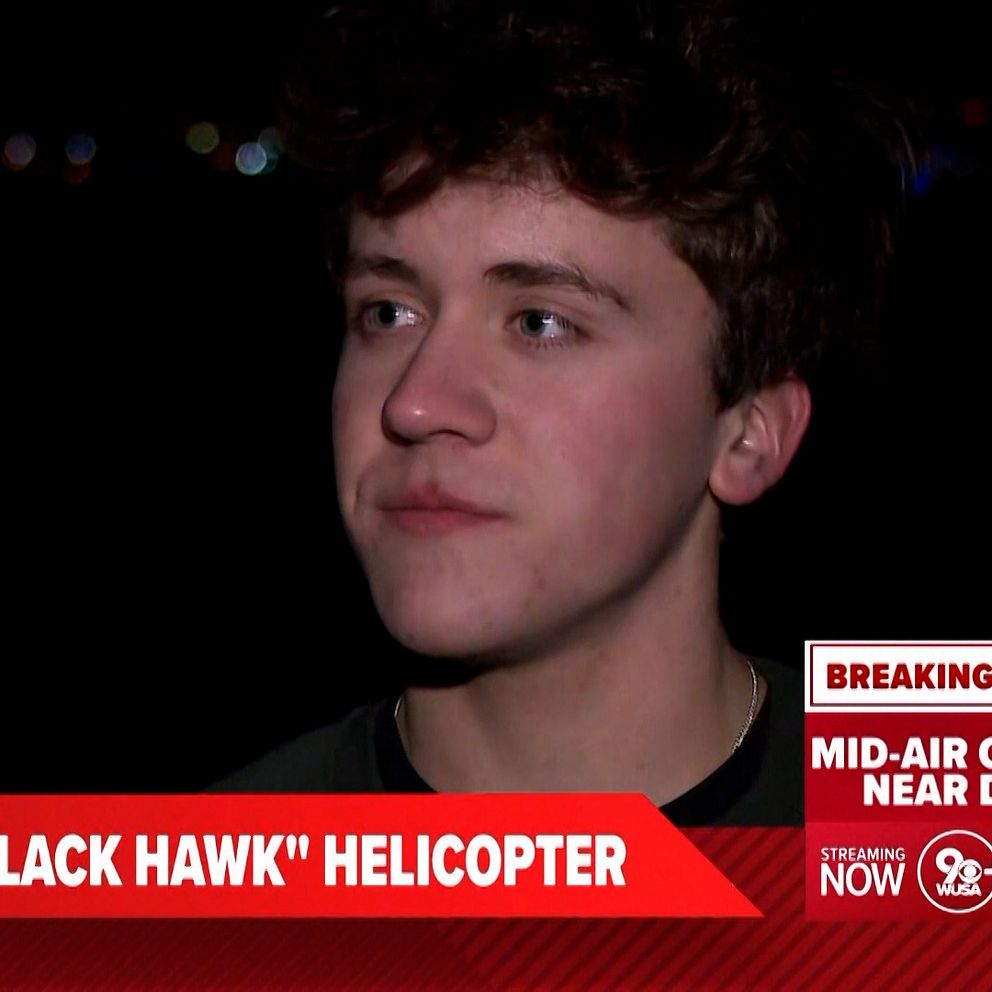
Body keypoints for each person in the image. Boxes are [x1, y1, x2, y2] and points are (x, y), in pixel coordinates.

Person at [216, 0, 909, 824]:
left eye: (541, 323)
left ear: (750, 434)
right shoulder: (205, 885)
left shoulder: (924, 832)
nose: (415, 402)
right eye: (388, 312)